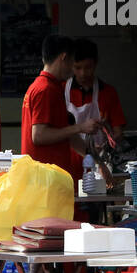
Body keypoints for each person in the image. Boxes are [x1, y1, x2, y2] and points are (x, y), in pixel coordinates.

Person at [21, 34, 99, 183]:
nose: (73, 70)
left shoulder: (50, 87)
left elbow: (66, 134)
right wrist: (80, 127)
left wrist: (96, 160)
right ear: (64, 58)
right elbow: (39, 136)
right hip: (44, 180)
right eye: (72, 63)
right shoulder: (45, 89)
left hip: (51, 178)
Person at [66, 38, 127, 164]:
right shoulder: (61, 91)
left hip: (99, 161)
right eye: (77, 68)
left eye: (88, 67)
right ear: (70, 64)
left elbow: (118, 134)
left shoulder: (108, 92)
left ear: (96, 63)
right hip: (67, 160)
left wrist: (107, 144)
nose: (83, 73)